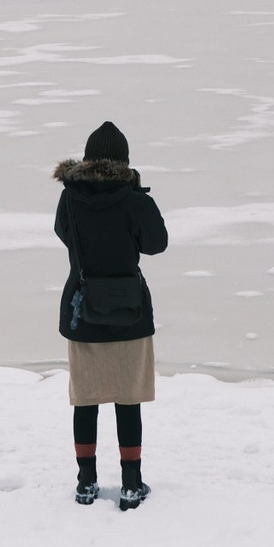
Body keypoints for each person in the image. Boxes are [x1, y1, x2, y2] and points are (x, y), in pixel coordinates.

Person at [52, 120, 169, 509]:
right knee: (127, 398)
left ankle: (86, 482)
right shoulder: (135, 201)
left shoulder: (69, 199)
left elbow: (65, 235)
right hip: (130, 311)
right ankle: (131, 483)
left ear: (87, 159)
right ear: (124, 162)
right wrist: (134, 195)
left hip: (82, 310)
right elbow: (156, 245)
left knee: (85, 399)